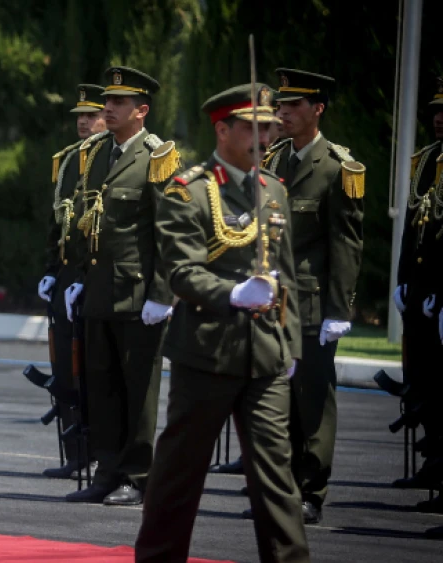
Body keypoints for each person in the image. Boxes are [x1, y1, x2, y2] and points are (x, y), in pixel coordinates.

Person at [135, 83, 310, 563]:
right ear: (223, 129)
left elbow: (287, 271)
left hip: (266, 354)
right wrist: (231, 294)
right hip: (207, 351)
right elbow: (182, 269)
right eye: (254, 127)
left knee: (277, 477)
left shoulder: (272, 188)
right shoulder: (188, 190)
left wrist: (290, 344)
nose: (266, 135)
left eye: (270, 126)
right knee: (179, 473)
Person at [250, 68, 363, 525]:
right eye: (281, 105)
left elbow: (346, 242)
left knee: (313, 399)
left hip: (313, 304)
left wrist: (341, 307)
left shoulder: (337, 167)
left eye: (294, 105)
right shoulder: (273, 161)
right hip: (271, 303)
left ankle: (311, 491)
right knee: (276, 401)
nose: (284, 113)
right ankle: (281, 489)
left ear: (318, 109)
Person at [63, 67, 180, 505]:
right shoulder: (97, 154)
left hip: (136, 295)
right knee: (103, 387)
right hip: (99, 290)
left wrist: (162, 293)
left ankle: (136, 474)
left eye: (119, 103)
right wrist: (78, 277)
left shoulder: (157, 157)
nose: (108, 108)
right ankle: (107, 470)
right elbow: (85, 223)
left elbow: (170, 232)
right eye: (107, 101)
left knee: (137, 390)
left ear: (141, 110)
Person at [36, 83, 108, 479]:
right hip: (67, 278)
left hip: (95, 276)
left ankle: (99, 452)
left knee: (93, 369)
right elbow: (58, 223)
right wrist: (51, 270)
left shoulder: (110, 161)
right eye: (80, 116)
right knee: (66, 368)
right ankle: (76, 453)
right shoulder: (66, 162)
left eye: (91, 114)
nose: (84, 122)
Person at [393, 75, 443, 493]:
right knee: (423, 378)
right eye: (435, 112)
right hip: (420, 289)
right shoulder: (425, 161)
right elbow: (414, 227)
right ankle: (433, 465)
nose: (439, 119)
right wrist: (402, 280)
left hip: (440, 291)